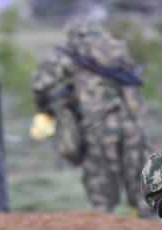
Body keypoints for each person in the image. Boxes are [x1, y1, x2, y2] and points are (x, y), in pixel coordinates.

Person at [31, 19, 151, 216]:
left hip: (97, 127)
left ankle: (106, 228)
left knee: (102, 197)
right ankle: (148, 227)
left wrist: (50, 107)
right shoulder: (118, 51)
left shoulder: (67, 55)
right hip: (132, 125)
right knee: (140, 189)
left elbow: (40, 86)